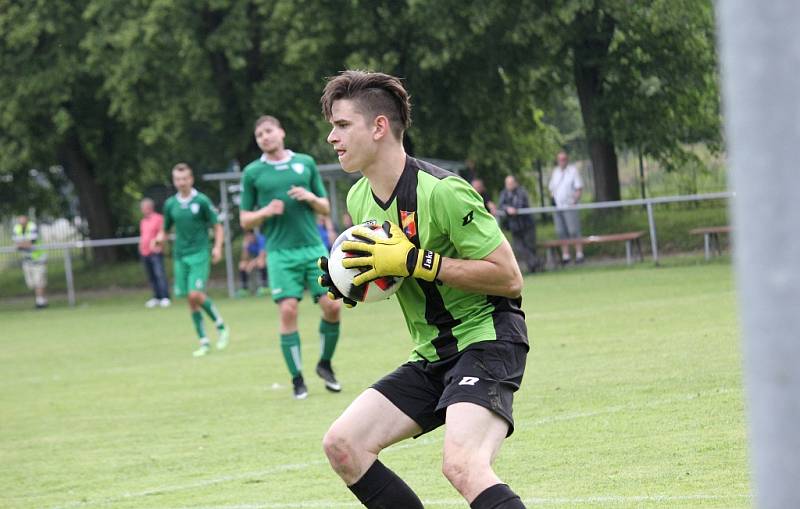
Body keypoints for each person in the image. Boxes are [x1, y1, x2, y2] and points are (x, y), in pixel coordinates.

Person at [318, 70, 529, 509]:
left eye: (342, 125)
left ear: (379, 127)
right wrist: (351, 283)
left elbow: (509, 278)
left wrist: (416, 261)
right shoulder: (359, 200)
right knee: (344, 445)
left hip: (487, 340)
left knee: (462, 464)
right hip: (433, 354)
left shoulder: (444, 191)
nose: (331, 138)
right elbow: (389, 277)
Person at [239, 115, 342, 400]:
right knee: (288, 311)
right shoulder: (252, 173)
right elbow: (245, 220)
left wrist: (308, 197)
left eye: (269, 131)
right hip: (279, 254)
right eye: (259, 134)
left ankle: (325, 364)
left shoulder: (305, 163)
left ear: (281, 132)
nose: (265, 137)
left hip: (312, 249)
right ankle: (297, 380)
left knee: (332, 308)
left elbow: (324, 206)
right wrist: (264, 213)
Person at [154, 163, 230, 357]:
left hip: (199, 253)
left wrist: (217, 247)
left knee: (195, 294)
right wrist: (159, 239)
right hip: (180, 255)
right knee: (190, 298)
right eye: (177, 179)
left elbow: (217, 225)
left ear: (191, 179)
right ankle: (204, 341)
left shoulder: (202, 201)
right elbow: (165, 228)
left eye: (184, 178)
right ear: (174, 181)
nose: (181, 182)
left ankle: (221, 326)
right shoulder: (171, 204)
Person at [497, 175, 540, 273]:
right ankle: (534, 264)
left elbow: (520, 204)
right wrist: (508, 209)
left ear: (516, 183)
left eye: (511, 183)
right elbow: (501, 205)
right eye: (507, 183)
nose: (509, 185)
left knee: (530, 246)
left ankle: (534, 268)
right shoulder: (504, 193)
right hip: (515, 227)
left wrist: (513, 209)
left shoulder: (521, 192)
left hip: (527, 225)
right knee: (519, 248)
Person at [548, 150, 584, 263]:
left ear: (567, 160)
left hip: (569, 206)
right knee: (561, 232)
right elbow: (551, 188)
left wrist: (574, 201)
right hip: (558, 207)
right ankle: (566, 256)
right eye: (560, 159)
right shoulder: (555, 172)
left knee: (574, 231)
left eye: (564, 159)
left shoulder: (573, 171)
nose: (562, 161)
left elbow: (579, 188)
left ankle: (579, 254)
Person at [139, 198, 171, 308]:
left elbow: (164, 233)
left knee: (159, 274)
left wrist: (159, 245)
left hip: (155, 252)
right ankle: (156, 297)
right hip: (145, 252)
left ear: (150, 208)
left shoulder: (158, 219)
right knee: (151, 276)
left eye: (144, 208)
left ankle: (165, 297)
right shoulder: (143, 221)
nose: (143, 210)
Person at [13, 214, 48, 309]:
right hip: (27, 260)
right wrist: (23, 244)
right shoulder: (17, 228)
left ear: (26, 219)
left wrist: (22, 245)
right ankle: (42, 299)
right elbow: (16, 243)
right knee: (31, 284)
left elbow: (31, 242)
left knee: (39, 281)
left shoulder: (32, 226)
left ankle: (40, 302)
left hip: (38, 259)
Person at [237, 230, 268, 297]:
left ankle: (265, 287)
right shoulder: (248, 243)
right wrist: (245, 247)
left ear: (253, 235)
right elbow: (244, 258)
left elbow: (262, 255)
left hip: (268, 258)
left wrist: (251, 264)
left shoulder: (261, 239)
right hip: (256, 260)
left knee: (261, 262)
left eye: (249, 236)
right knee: (242, 265)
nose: (248, 238)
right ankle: (244, 289)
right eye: (247, 236)